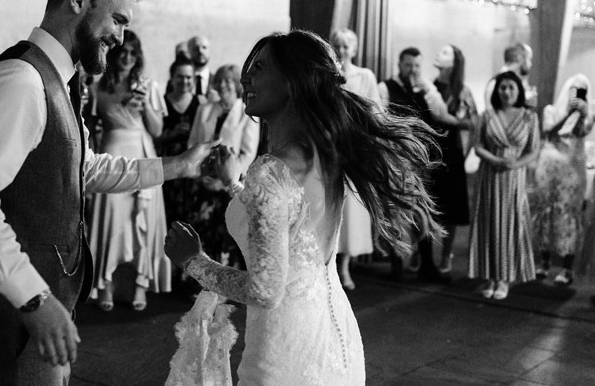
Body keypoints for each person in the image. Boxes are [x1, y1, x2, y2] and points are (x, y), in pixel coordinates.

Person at [0, 0, 215, 385]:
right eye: (118, 20)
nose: (121, 38)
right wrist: (34, 299)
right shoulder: (21, 79)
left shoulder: (59, 80)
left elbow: (81, 168)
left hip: (40, 306)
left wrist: (180, 165)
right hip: (3, 313)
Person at [164, 30, 442, 385]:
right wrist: (234, 183)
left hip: (283, 350)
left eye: (259, 67)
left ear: (293, 84)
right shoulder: (327, 154)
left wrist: (194, 261)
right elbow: (286, 222)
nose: (245, 77)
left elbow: (265, 289)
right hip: (333, 334)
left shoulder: (271, 171)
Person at [87, 30, 171, 312]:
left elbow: (158, 129)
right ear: (114, 53)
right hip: (110, 151)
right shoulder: (98, 86)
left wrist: (145, 102)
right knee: (111, 220)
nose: (127, 57)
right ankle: (106, 284)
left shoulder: (148, 85)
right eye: (123, 51)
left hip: (141, 150)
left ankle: (140, 284)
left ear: (138, 58)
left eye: (133, 53)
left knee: (140, 221)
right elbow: (89, 125)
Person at [378, 47, 456, 282]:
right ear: (399, 64)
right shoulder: (385, 87)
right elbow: (380, 119)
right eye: (407, 65)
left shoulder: (426, 88)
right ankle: (396, 263)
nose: (411, 70)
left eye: (416, 65)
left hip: (421, 158)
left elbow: (441, 114)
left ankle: (426, 264)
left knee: (422, 210)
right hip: (395, 157)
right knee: (394, 211)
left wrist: (429, 90)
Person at [468, 71, 539, 300]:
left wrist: (516, 163)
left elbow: (534, 149)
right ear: (496, 91)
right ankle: (490, 275)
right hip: (490, 175)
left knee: (510, 224)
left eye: (511, 87)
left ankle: (505, 277)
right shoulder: (487, 115)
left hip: (514, 179)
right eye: (502, 87)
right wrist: (496, 160)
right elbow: (478, 145)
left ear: (518, 90)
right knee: (489, 223)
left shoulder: (529, 117)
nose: (506, 92)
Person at [188, 65, 259, 268]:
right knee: (203, 232)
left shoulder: (247, 112)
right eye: (219, 80)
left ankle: (226, 283)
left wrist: (228, 179)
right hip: (203, 181)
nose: (223, 84)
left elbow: (248, 152)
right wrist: (201, 174)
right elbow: (192, 143)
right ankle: (201, 281)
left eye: (229, 80)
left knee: (227, 233)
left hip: (230, 184)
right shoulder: (205, 109)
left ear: (237, 84)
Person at [328, 28, 380, 290]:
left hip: (354, 146)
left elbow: (375, 110)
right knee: (330, 203)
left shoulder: (365, 76)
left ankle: (345, 266)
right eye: (337, 45)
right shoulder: (326, 77)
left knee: (352, 209)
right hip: (329, 147)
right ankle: (329, 264)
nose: (342, 51)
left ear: (354, 49)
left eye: (346, 46)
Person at [532, 74, 593, 286]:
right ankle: (545, 262)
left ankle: (567, 268)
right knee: (546, 211)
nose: (576, 94)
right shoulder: (551, 110)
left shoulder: (589, 112)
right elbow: (548, 131)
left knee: (570, 214)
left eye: (582, 90)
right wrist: (568, 113)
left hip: (572, 167)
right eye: (574, 89)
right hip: (550, 165)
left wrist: (584, 114)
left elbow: (582, 132)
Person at [431, 45, 478, 273]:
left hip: (452, 152)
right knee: (427, 205)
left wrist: (466, 153)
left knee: (450, 209)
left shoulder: (462, 91)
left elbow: (474, 123)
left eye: (445, 52)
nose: (439, 53)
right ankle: (422, 254)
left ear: (455, 62)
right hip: (430, 151)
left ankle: (446, 255)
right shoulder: (429, 87)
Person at [158, 56, 202, 226]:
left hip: (193, 164)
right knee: (168, 211)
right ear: (172, 78)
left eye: (188, 77)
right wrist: (171, 133)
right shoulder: (162, 101)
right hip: (168, 163)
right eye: (180, 77)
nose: (185, 81)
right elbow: (153, 137)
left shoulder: (201, 102)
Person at [484, 43, 537, 108]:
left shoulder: (518, 81)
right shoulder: (496, 83)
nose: (530, 64)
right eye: (529, 59)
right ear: (519, 58)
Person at [187, 35, 216, 101]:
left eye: (204, 47)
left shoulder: (217, 81)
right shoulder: (178, 81)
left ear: (209, 51)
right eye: (196, 48)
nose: (200, 51)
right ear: (188, 52)